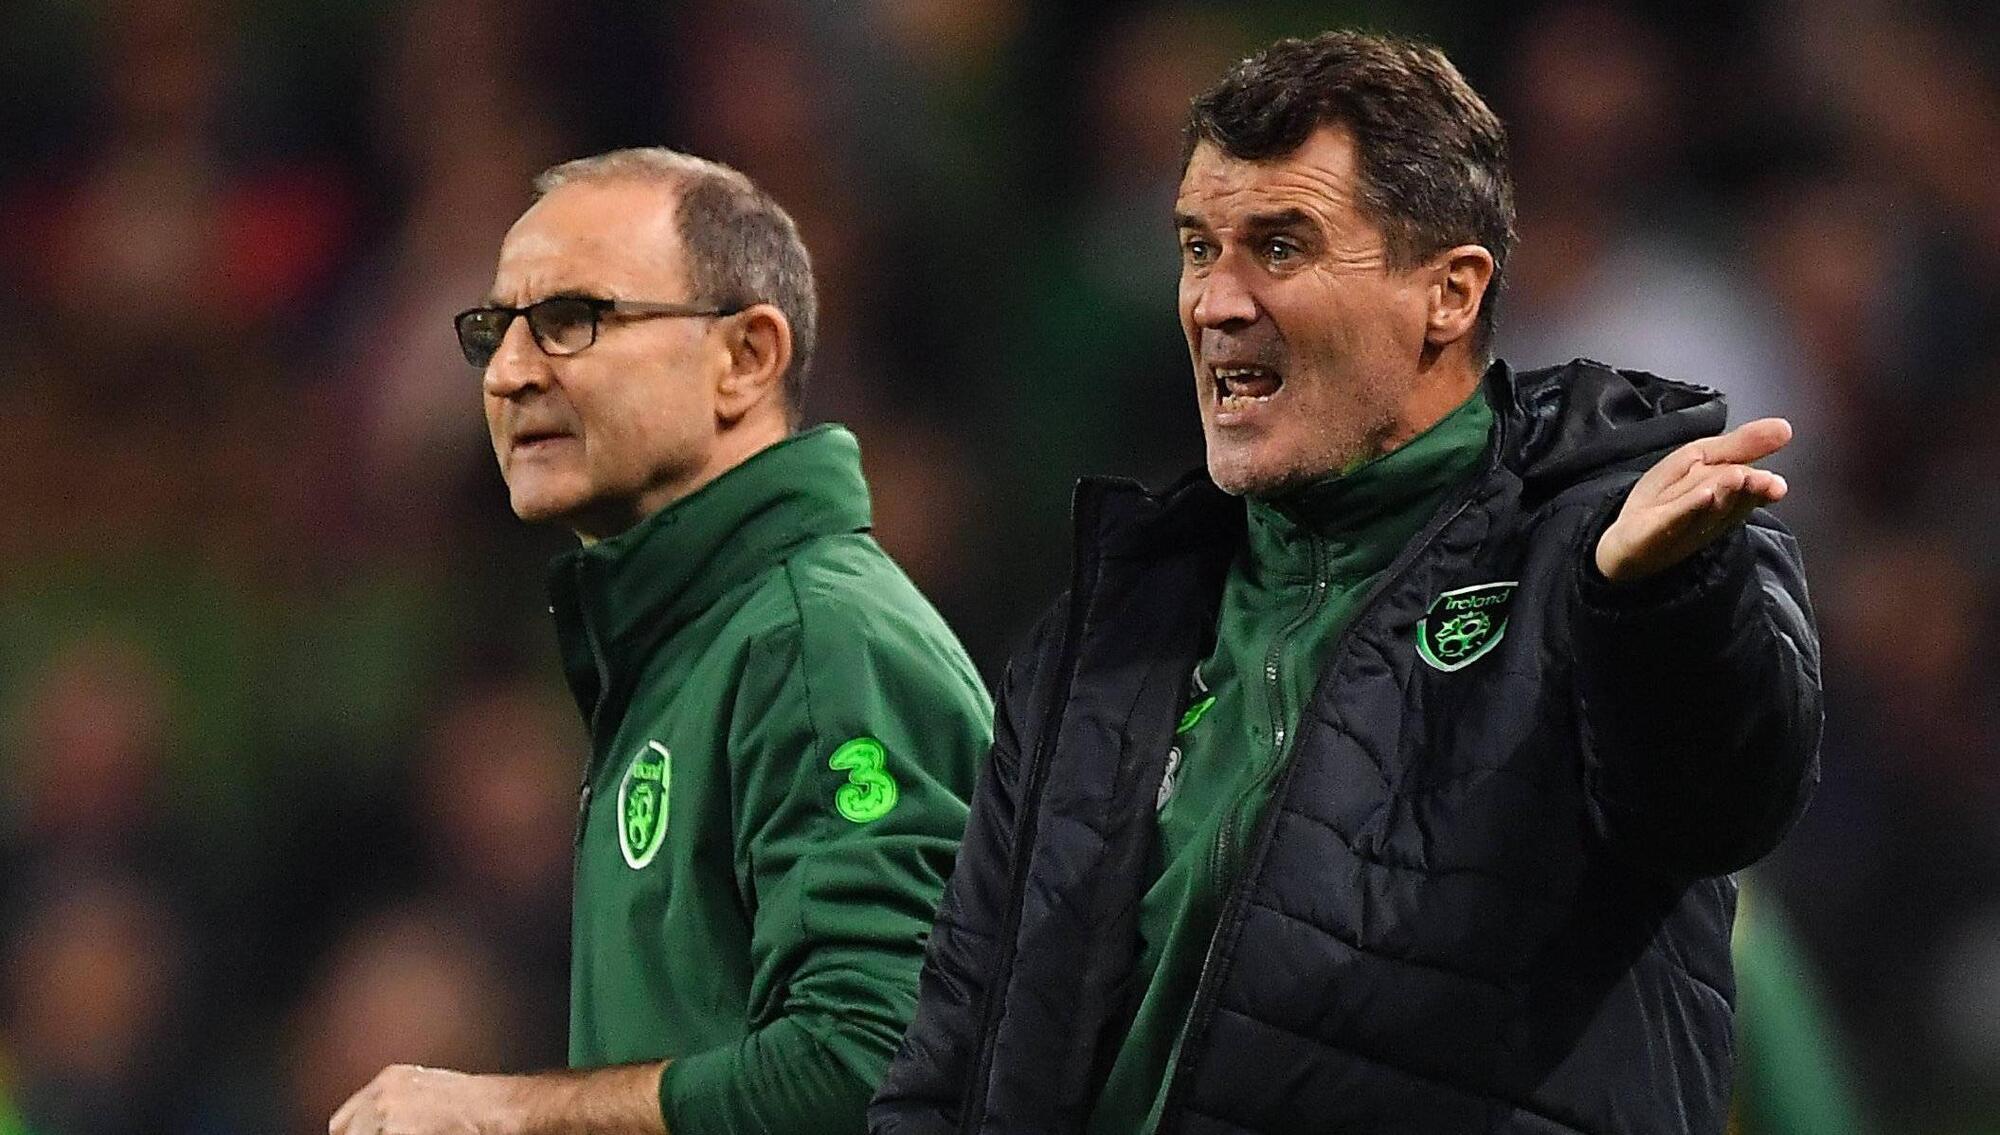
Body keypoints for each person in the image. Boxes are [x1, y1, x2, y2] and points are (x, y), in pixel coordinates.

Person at [873, 30, 1820, 1135]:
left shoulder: (1618, 544)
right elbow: (952, 1059)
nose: (1215, 302)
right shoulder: (1106, 638)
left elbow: (1722, 801)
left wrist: (1657, 603)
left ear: (1449, 294)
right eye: (1197, 248)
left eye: (1279, 247)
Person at [332, 148, 992, 1135]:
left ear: (745, 357)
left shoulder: (815, 643)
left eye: (571, 320)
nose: (510, 373)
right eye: (494, 332)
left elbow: (877, 1059)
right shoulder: (688, 649)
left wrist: (510, 1113)